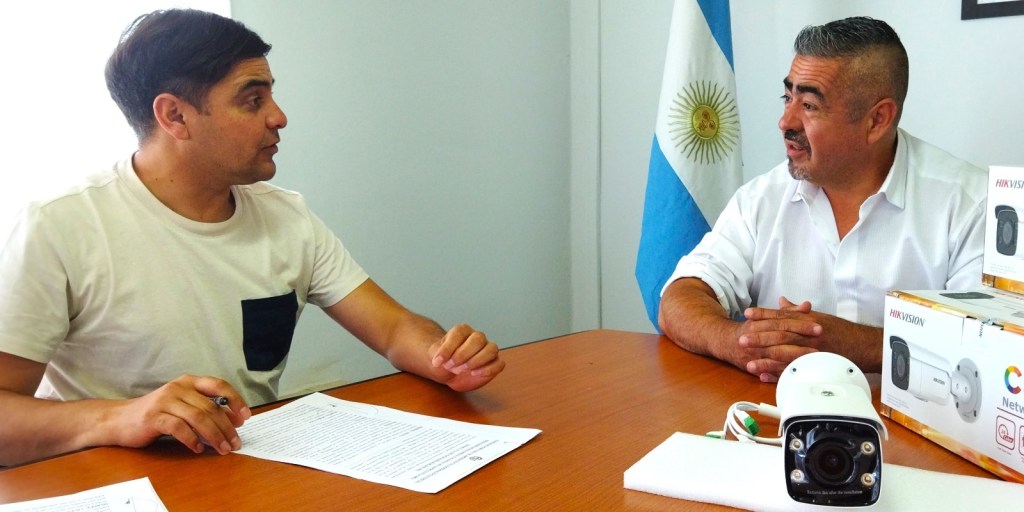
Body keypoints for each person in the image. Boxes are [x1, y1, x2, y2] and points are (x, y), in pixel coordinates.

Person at [0, 9, 504, 467]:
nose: (278, 116)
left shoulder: (288, 217)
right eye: (252, 99)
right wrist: (122, 418)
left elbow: (394, 331)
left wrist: (444, 355)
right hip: (109, 485)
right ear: (174, 116)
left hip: (244, 474)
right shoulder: (59, 225)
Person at [658, 17, 986, 383]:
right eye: (787, 97)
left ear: (877, 119)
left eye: (810, 105)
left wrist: (856, 345)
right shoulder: (761, 198)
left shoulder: (973, 205)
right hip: (778, 423)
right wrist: (738, 340)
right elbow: (680, 297)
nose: (785, 121)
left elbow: (988, 348)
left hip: (909, 432)